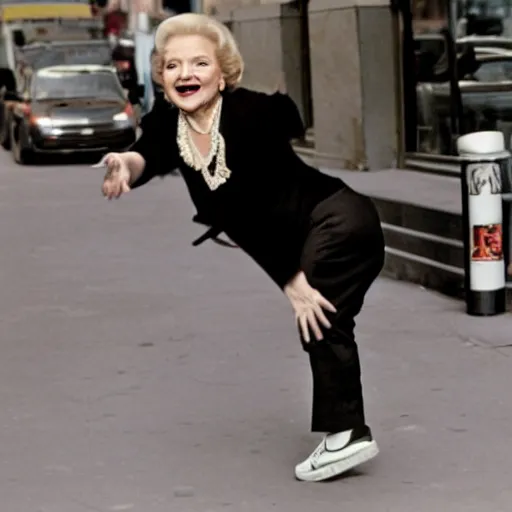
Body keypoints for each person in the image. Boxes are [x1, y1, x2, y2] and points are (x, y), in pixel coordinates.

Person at [100, 13, 385, 482]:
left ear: (223, 72)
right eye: (172, 66)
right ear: (161, 76)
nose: (185, 74)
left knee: (318, 314)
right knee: (323, 317)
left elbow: (259, 210)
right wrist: (125, 167)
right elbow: (147, 150)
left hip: (339, 220)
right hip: (309, 230)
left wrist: (292, 280)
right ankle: (346, 431)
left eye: (198, 63)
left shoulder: (248, 115)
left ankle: (348, 435)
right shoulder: (172, 123)